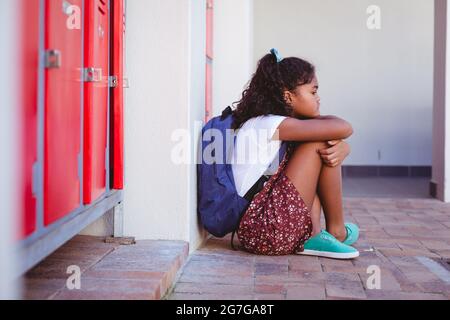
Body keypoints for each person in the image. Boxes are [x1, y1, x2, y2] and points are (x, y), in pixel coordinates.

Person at [231, 49, 359, 259]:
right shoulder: (269, 124)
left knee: (322, 139)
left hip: (264, 228)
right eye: (313, 91)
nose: (318, 98)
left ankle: (313, 235)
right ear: (288, 96)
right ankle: (336, 231)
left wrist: (344, 147)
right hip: (264, 229)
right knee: (321, 141)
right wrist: (342, 144)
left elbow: (335, 128)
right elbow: (342, 127)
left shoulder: (278, 124)